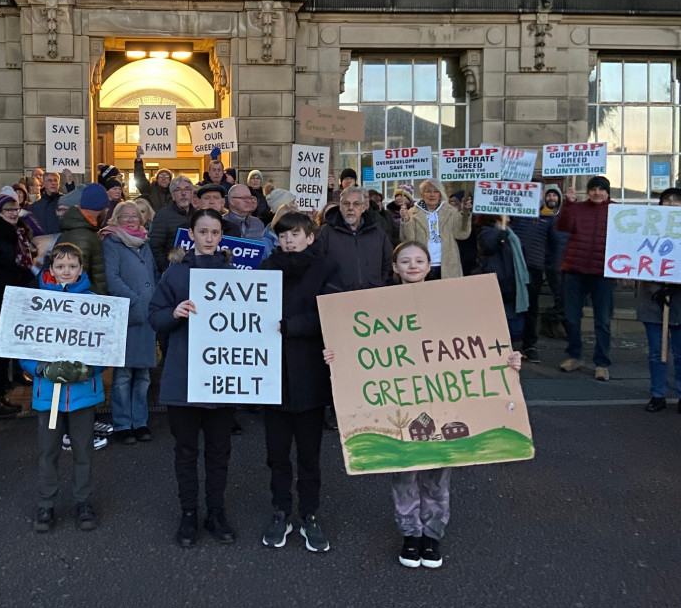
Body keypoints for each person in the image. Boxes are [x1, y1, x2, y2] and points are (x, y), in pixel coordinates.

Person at [323, 240, 523, 569]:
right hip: (399, 405)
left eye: (419, 260)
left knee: (437, 475)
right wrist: (336, 353)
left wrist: (508, 358)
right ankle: (410, 534)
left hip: (444, 402)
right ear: (396, 268)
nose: (413, 266)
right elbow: (360, 347)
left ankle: (433, 535)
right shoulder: (376, 306)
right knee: (404, 475)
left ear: (429, 266)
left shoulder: (449, 303)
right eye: (406, 261)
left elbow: (478, 343)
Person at [148, 209, 238, 548]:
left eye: (215, 232)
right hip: (183, 375)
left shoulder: (234, 274)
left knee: (219, 450)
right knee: (186, 450)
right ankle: (189, 512)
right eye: (203, 232)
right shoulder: (175, 274)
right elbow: (154, 318)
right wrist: (174, 313)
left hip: (221, 377)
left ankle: (216, 511)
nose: (210, 238)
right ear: (191, 234)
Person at [258, 212, 340, 552]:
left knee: (309, 454)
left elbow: (331, 313)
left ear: (310, 237)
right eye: (283, 235)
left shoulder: (326, 268)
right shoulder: (265, 269)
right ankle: (281, 511)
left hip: (308, 374)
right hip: (271, 376)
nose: (288, 240)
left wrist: (293, 326)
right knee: (277, 453)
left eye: (295, 234)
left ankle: (310, 514)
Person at [20, 243, 104, 533]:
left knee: (83, 450)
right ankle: (46, 503)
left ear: (81, 269)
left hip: (83, 394)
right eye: (60, 266)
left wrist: (89, 369)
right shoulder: (38, 302)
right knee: (48, 451)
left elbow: (106, 346)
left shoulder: (95, 302)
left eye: (72, 266)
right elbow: (24, 344)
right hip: (48, 394)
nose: (66, 271)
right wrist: (38, 368)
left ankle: (83, 500)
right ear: (51, 270)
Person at [100, 202, 158, 445]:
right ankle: (123, 423)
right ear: (117, 218)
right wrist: (134, 301)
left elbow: (153, 274)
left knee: (143, 375)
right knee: (123, 375)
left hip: (147, 318)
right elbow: (111, 278)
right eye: (126, 216)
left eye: (135, 216)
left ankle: (140, 422)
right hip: (127, 315)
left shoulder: (144, 242)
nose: (132, 220)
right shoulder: (111, 242)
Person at [0, 192, 36, 416]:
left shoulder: (17, 232)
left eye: (15, 209)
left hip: (10, 296)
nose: (13, 213)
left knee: (3, 348)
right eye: (7, 210)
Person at [555, 175, 615, 380]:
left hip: (603, 274)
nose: (597, 193)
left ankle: (602, 363)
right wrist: (568, 204)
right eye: (593, 189)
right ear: (588, 191)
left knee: (603, 321)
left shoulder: (619, 212)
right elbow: (562, 226)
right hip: (575, 270)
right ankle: (574, 356)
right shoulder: (577, 208)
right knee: (571, 317)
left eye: (601, 189)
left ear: (607, 192)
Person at [637, 188, 681, 412]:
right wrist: (657, 287)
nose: (672, 204)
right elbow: (637, 257)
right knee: (657, 351)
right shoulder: (646, 227)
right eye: (668, 200)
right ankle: (658, 393)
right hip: (653, 301)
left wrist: (674, 286)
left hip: (679, 301)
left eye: (677, 201)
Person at [315, 186, 392, 291]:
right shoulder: (326, 233)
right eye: (346, 204)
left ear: (364, 207)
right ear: (340, 206)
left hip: (373, 296)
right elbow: (316, 266)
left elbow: (387, 264)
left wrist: (380, 284)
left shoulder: (377, 232)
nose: (350, 208)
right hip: (337, 298)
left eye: (356, 204)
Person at [400, 179, 472, 280]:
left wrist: (465, 212)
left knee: (446, 294)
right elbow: (409, 240)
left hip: (448, 264)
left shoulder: (450, 212)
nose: (432, 195)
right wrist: (407, 220)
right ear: (422, 194)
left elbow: (461, 234)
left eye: (436, 191)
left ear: (440, 194)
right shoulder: (412, 212)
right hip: (420, 265)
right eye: (428, 191)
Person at [509, 198, 553, 362]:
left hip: (534, 266)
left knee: (531, 307)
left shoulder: (548, 216)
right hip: (511, 265)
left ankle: (529, 345)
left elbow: (553, 242)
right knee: (507, 305)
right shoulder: (513, 211)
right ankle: (506, 343)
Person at [475, 216, 531, 341]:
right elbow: (488, 246)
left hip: (512, 282)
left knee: (515, 327)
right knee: (509, 326)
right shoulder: (487, 231)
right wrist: (500, 237)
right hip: (500, 282)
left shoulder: (511, 232)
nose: (509, 215)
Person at [58, 183, 109, 295]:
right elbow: (75, 279)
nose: (107, 213)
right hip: (85, 303)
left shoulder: (84, 230)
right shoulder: (82, 236)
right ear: (101, 209)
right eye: (107, 209)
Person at [149, 175, 195, 273]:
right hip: (173, 270)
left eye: (187, 189)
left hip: (196, 269)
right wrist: (166, 269)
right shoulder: (162, 215)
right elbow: (155, 247)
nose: (183, 193)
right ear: (173, 195)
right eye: (178, 190)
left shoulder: (199, 215)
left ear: (192, 194)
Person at [541, 184, 569, 338]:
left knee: (566, 297)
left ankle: (557, 322)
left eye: (554, 195)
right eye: (549, 195)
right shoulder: (542, 216)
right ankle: (551, 319)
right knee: (561, 296)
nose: (551, 198)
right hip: (552, 263)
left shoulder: (564, 215)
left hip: (568, 262)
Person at [132, 147, 173, 212]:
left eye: (167, 176)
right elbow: (140, 178)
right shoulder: (149, 189)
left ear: (170, 180)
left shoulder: (174, 192)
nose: (163, 178)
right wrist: (138, 159)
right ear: (156, 179)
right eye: (161, 175)